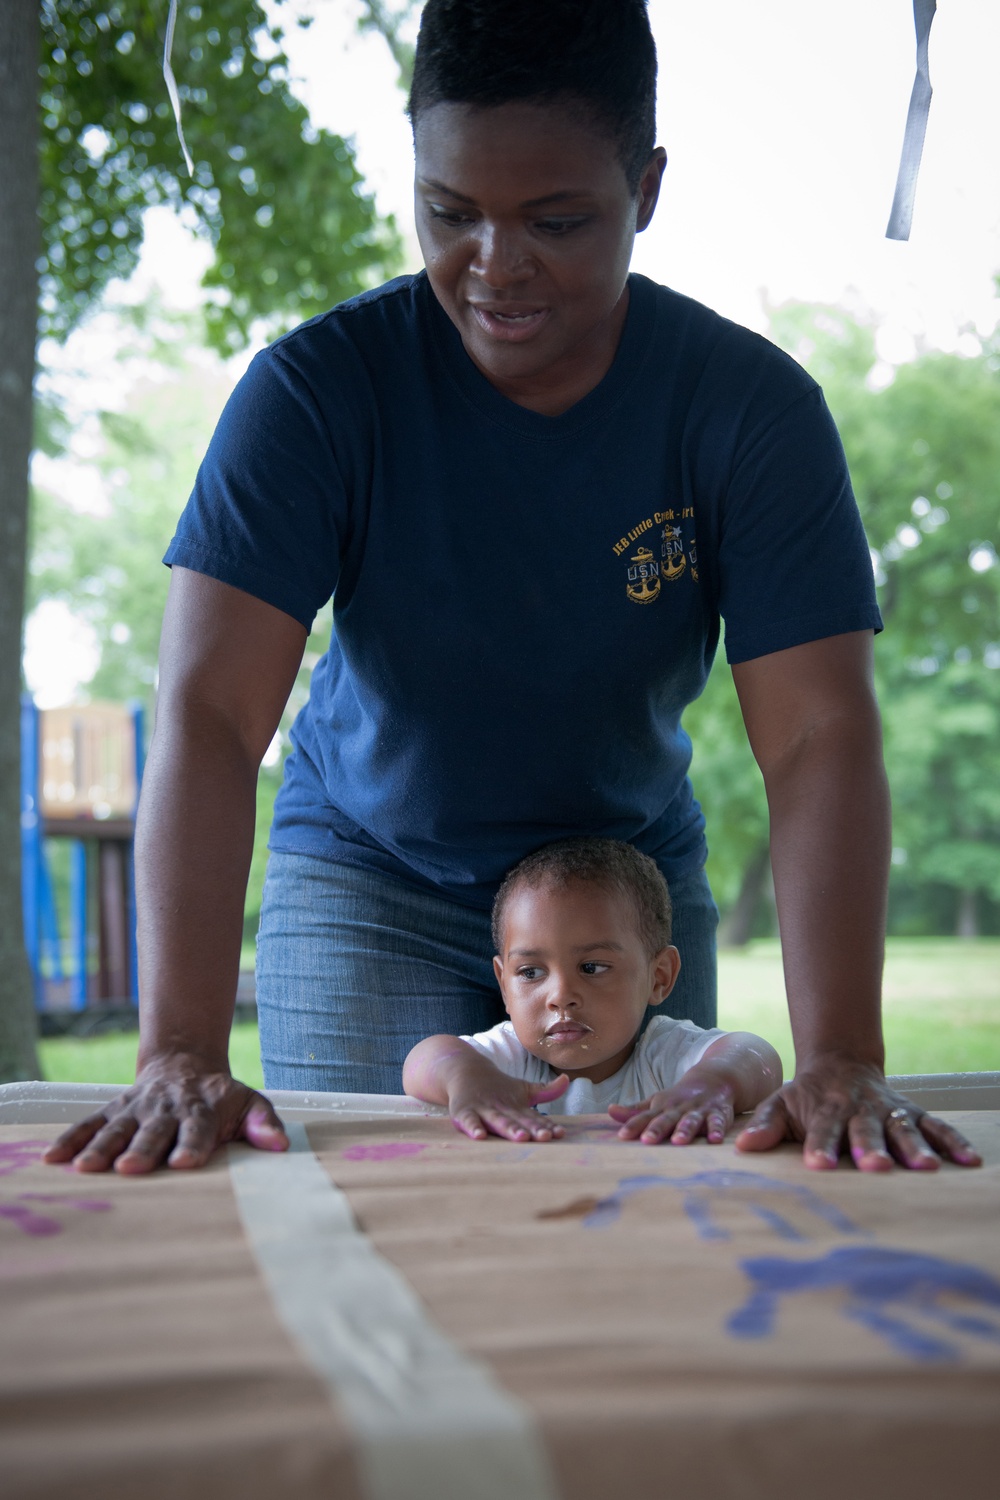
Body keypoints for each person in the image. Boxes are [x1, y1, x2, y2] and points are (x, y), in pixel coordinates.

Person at [46, 0, 980, 1178]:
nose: (494, 266)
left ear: (644, 189)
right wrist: (176, 1047)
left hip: (622, 886)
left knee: (650, 1210)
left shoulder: (751, 414)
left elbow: (815, 737)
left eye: (555, 220)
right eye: (449, 212)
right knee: (373, 1216)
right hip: (368, 872)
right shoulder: (312, 397)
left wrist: (842, 1049)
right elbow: (211, 715)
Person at [403, 837, 783, 1144]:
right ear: (504, 985)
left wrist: (714, 1083)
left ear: (660, 977)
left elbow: (757, 1055)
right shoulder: (507, 1061)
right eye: (531, 972)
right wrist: (464, 1078)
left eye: (592, 967)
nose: (561, 995)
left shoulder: (663, 1054)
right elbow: (421, 1062)